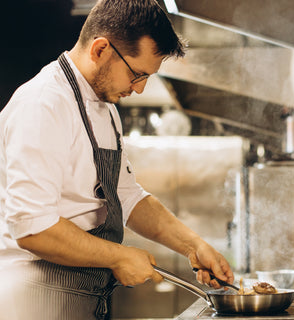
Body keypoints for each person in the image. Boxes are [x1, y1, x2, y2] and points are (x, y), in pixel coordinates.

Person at [0, 0, 234, 319]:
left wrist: (193, 245)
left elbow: (127, 196)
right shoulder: (43, 105)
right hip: (35, 300)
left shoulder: (104, 108)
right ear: (100, 49)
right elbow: (33, 227)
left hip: (84, 298)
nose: (139, 90)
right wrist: (118, 256)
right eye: (137, 74)